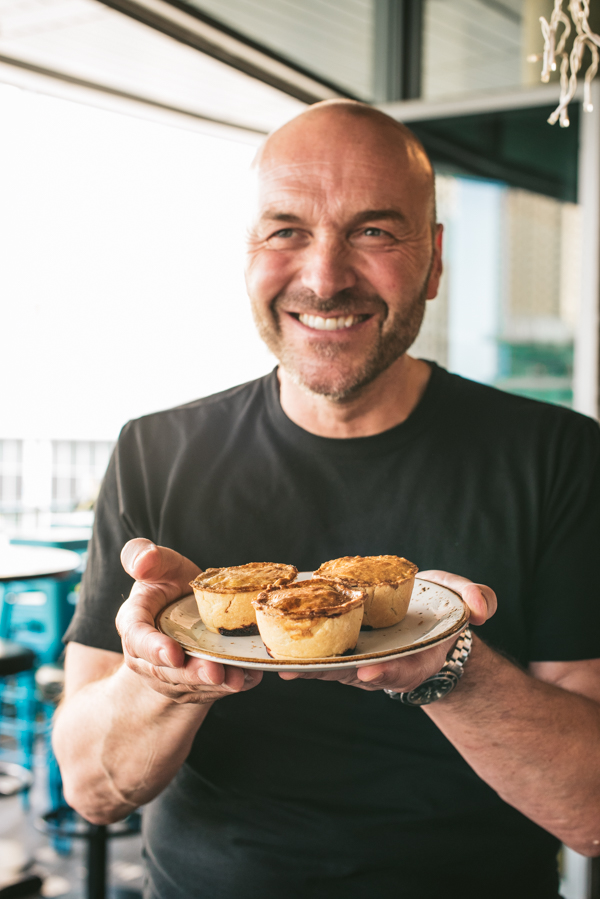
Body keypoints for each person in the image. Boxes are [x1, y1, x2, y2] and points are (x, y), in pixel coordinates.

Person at [54, 101, 600, 899]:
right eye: (286, 231)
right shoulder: (156, 450)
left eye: (375, 231)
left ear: (435, 261)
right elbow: (90, 788)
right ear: (248, 253)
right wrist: (165, 678)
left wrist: (451, 668)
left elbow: (592, 812)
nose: (324, 277)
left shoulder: (558, 455)